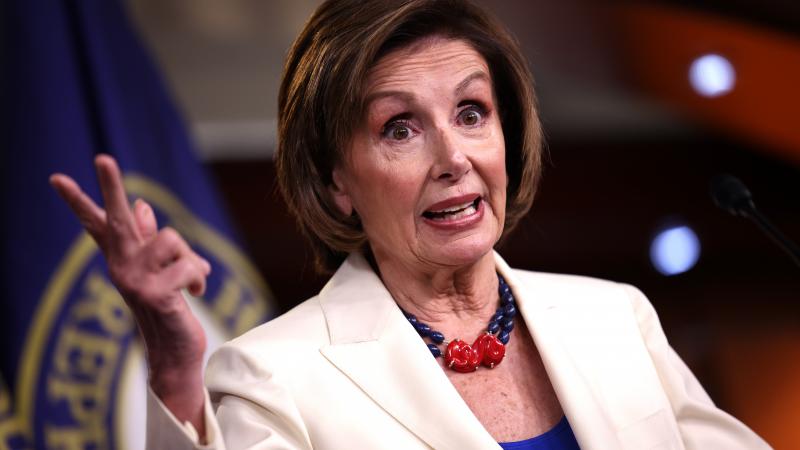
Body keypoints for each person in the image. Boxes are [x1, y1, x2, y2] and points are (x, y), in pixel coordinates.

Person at [50, 0, 771, 449]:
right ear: (336, 182)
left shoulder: (616, 319)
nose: (453, 157)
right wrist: (176, 370)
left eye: (471, 113)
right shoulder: (274, 376)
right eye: (399, 128)